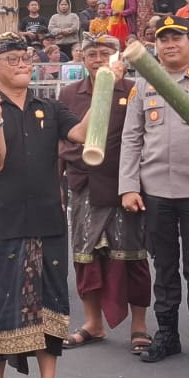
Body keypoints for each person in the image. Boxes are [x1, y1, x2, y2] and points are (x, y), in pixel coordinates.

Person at [0, 31, 98, 378]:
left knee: (51, 304)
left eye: (26, 58)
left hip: (47, 219)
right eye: (14, 60)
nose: (24, 65)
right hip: (0, 221)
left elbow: (84, 134)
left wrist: (105, 86)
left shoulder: (50, 108)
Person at [119, 15, 189, 365]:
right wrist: (129, 185)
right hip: (155, 192)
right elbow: (132, 137)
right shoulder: (144, 84)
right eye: (162, 39)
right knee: (164, 267)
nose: (169, 44)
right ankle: (166, 333)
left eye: (177, 38)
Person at [56, 33, 151, 353]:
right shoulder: (70, 93)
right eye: (91, 54)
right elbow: (61, 143)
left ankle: (139, 327)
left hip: (125, 185)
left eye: (105, 54)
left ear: (118, 58)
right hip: (83, 184)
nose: (98, 60)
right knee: (86, 257)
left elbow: (142, 137)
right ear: (82, 59)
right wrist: (58, 187)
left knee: (133, 257)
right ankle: (92, 323)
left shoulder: (135, 89)